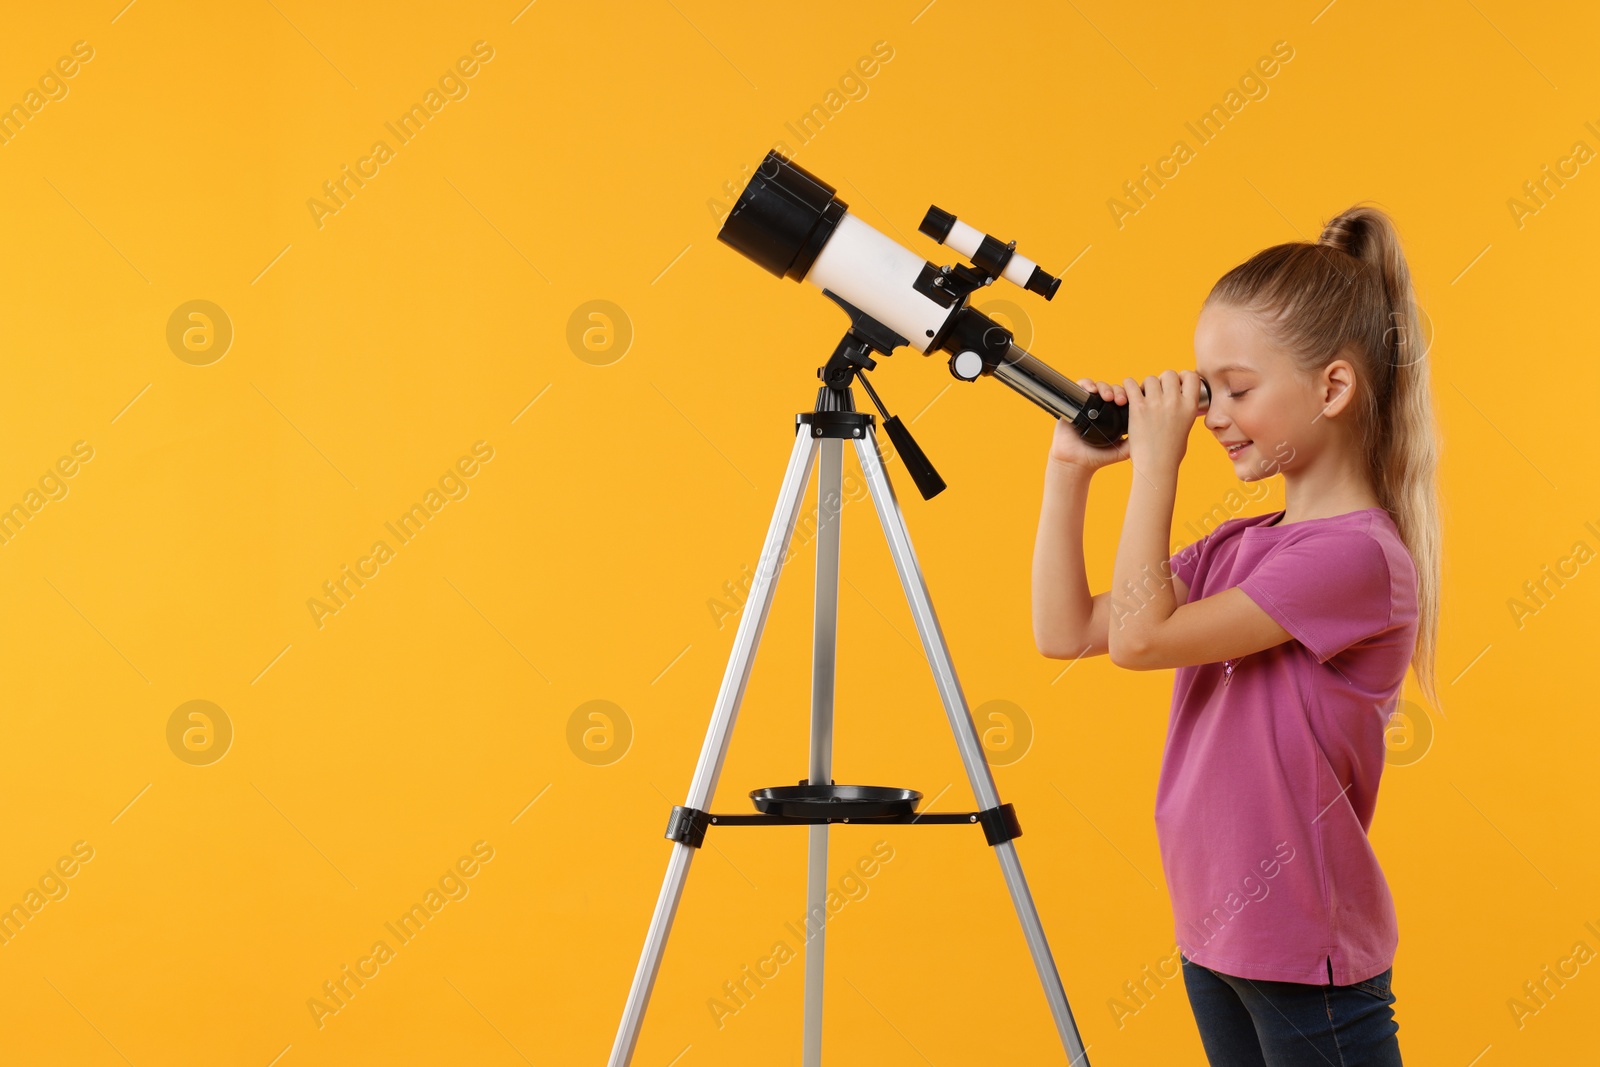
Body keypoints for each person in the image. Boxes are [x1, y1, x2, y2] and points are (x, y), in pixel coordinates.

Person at [1031, 204, 1442, 1066]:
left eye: (1237, 388)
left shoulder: (1356, 557)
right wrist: (1069, 472)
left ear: (1332, 389)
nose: (1211, 413)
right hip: (1217, 929)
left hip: (1302, 945)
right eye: (1205, 388)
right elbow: (1066, 631)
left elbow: (1144, 640)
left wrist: (1155, 468)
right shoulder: (1238, 545)